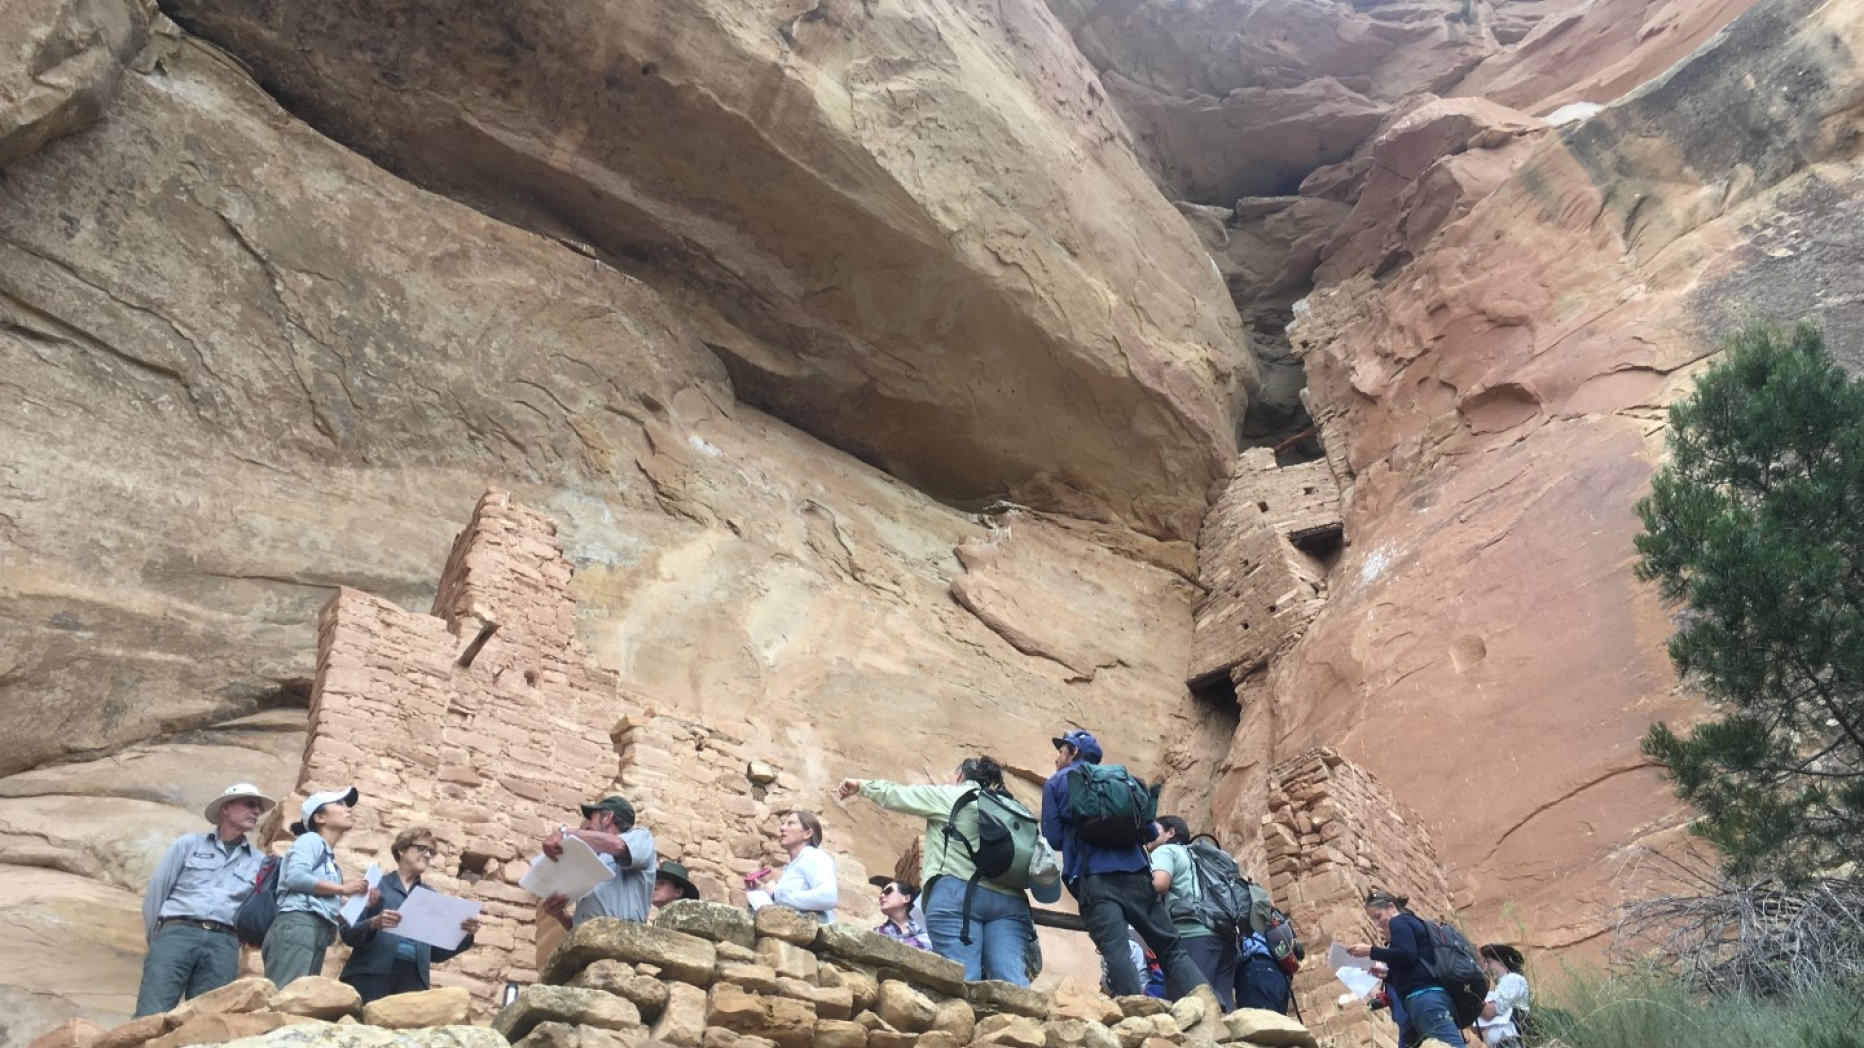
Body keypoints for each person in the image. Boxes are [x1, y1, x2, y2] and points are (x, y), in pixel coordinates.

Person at [1040, 729, 1209, 1000]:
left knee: (1117, 951)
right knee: (1170, 948)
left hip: (1094, 879)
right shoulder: (1123, 781)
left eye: (1061, 752)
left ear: (1073, 753)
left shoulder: (1058, 782)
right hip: (1138, 876)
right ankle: (1209, 1005)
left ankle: (1137, 1016)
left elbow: (1054, 837)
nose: (1057, 759)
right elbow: (1151, 833)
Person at [838, 756, 1038, 984]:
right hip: (1012, 903)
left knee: (963, 980)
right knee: (1013, 985)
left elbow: (899, 795)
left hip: (959, 897)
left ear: (960, 776)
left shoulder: (952, 796)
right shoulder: (1013, 809)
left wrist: (862, 786)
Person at [133, 783, 275, 1016]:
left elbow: (254, 909)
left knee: (206, 1022)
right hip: (177, 932)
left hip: (224, 942)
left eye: (259, 807)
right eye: (250, 804)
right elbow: (157, 890)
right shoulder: (188, 844)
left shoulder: (259, 862)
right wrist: (159, 937)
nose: (257, 811)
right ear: (226, 808)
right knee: (151, 1012)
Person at [338, 827, 482, 1004]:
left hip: (414, 981)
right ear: (401, 850)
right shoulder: (375, 884)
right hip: (370, 974)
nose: (428, 855)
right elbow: (347, 933)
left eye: (431, 852)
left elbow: (436, 954)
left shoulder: (431, 896)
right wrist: (374, 923)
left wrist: (465, 934)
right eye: (422, 848)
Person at [264, 786, 370, 987]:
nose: (348, 809)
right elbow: (295, 877)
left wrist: (360, 902)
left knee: (297, 999)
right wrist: (342, 889)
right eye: (339, 804)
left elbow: (329, 906)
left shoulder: (328, 858)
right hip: (299, 923)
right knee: (286, 994)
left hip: (315, 929)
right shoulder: (311, 840)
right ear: (319, 818)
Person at [1346, 889, 1466, 1047]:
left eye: (1378, 916)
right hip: (1427, 1000)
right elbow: (1413, 966)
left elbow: (1408, 956)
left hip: (1425, 1000)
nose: (1378, 923)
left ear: (1391, 907)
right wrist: (1387, 976)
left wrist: (1370, 951)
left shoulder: (1399, 922)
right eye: (1373, 919)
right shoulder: (1411, 924)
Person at [1148, 815, 1236, 1009]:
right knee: (1224, 1005)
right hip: (1224, 935)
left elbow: (1159, 883)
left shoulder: (1165, 851)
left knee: (1194, 1004)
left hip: (1192, 935)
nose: (1148, 833)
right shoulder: (1197, 856)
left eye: (1153, 828)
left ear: (1171, 832)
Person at [541, 796, 658, 928]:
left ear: (608, 817)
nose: (589, 825)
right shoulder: (591, 857)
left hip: (621, 940)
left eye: (592, 818)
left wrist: (566, 832)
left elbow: (619, 845)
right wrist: (559, 915)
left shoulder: (641, 837)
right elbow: (578, 926)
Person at [747, 810, 838, 922]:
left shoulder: (815, 856)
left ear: (807, 834)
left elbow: (828, 896)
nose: (782, 828)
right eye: (784, 823)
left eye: (791, 824)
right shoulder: (791, 868)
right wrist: (761, 891)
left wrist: (779, 897)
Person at [1477, 944, 1530, 1048]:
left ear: (1500, 960)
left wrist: (1472, 997)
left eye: (1489, 962)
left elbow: (1489, 1012)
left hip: (1510, 1042)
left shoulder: (1513, 979)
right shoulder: (1503, 984)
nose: (1487, 967)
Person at [1235, 930, 1292, 1013]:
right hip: (1280, 976)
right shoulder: (1272, 920)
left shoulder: (1240, 922)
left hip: (1254, 972)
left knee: (1261, 1023)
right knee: (1277, 1024)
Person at [873, 880, 929, 950]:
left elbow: (931, 942)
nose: (881, 896)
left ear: (906, 898)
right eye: (881, 893)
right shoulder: (878, 932)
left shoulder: (923, 925)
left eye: (888, 891)